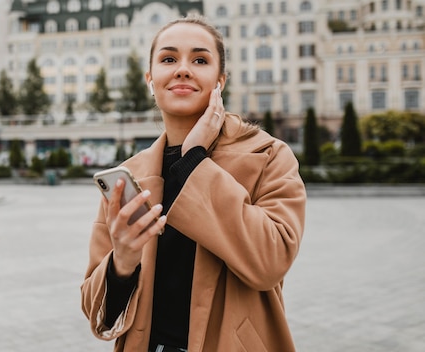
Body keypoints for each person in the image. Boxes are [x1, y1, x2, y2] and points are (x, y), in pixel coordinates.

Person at [81, 15, 306, 352]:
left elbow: (269, 261)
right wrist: (122, 263)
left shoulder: (269, 156)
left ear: (220, 81)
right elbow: (97, 310)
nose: (183, 69)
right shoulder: (130, 174)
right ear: (150, 79)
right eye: (168, 59)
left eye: (200, 60)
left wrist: (193, 161)